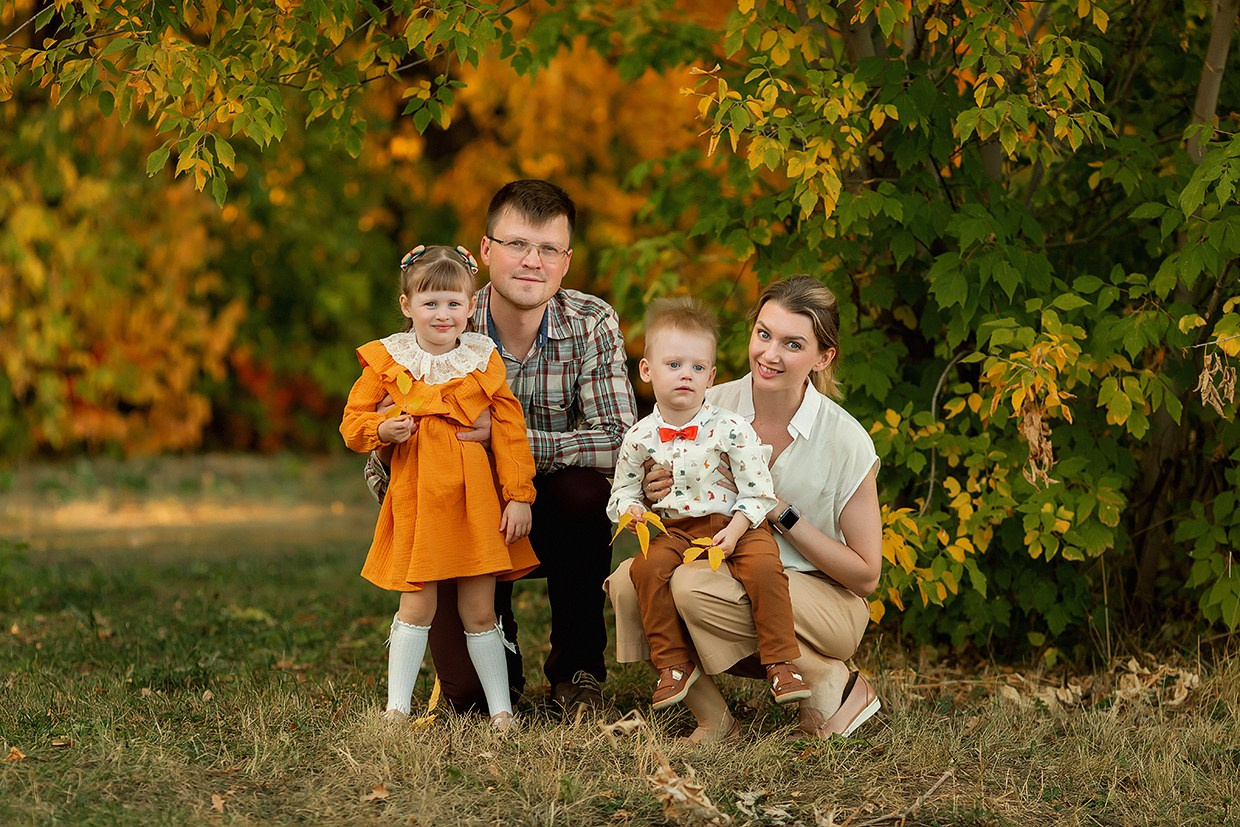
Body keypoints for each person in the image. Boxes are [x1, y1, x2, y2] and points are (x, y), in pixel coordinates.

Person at [365, 180, 638, 715]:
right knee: (465, 701)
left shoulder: (592, 322)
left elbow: (619, 441)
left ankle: (576, 671)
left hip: (552, 512)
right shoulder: (439, 323)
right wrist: (387, 444)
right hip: (457, 512)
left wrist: (508, 442)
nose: (531, 261)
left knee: (585, 491)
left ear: (566, 261)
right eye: (516, 244)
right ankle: (500, 676)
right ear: (486, 251)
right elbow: (381, 461)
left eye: (548, 249)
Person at [605, 275, 883, 743]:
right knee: (630, 583)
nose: (770, 354)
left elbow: (865, 576)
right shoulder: (710, 402)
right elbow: (674, 494)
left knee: (693, 587)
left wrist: (778, 511)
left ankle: (828, 680)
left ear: (823, 357)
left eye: (793, 344)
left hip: (822, 599)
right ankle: (716, 720)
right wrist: (657, 491)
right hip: (722, 565)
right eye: (764, 334)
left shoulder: (845, 440)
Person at [341, 244, 539, 730]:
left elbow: (510, 429)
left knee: (479, 606)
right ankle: (396, 710)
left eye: (454, 303)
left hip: (474, 500)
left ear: (471, 307)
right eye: (430, 303)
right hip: (418, 498)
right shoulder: (389, 362)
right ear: (408, 306)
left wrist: (518, 495)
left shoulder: (481, 359)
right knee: (417, 602)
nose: (443, 314)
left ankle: (501, 713)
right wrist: (381, 431)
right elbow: (352, 422)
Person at [607, 297, 811, 711]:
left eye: (698, 368)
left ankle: (780, 661)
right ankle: (673, 663)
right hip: (675, 528)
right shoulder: (640, 436)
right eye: (674, 365)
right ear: (646, 371)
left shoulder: (732, 428)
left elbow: (759, 490)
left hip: (738, 521)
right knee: (645, 567)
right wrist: (630, 511)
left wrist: (735, 532)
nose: (687, 376)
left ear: (711, 375)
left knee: (763, 568)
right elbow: (623, 491)